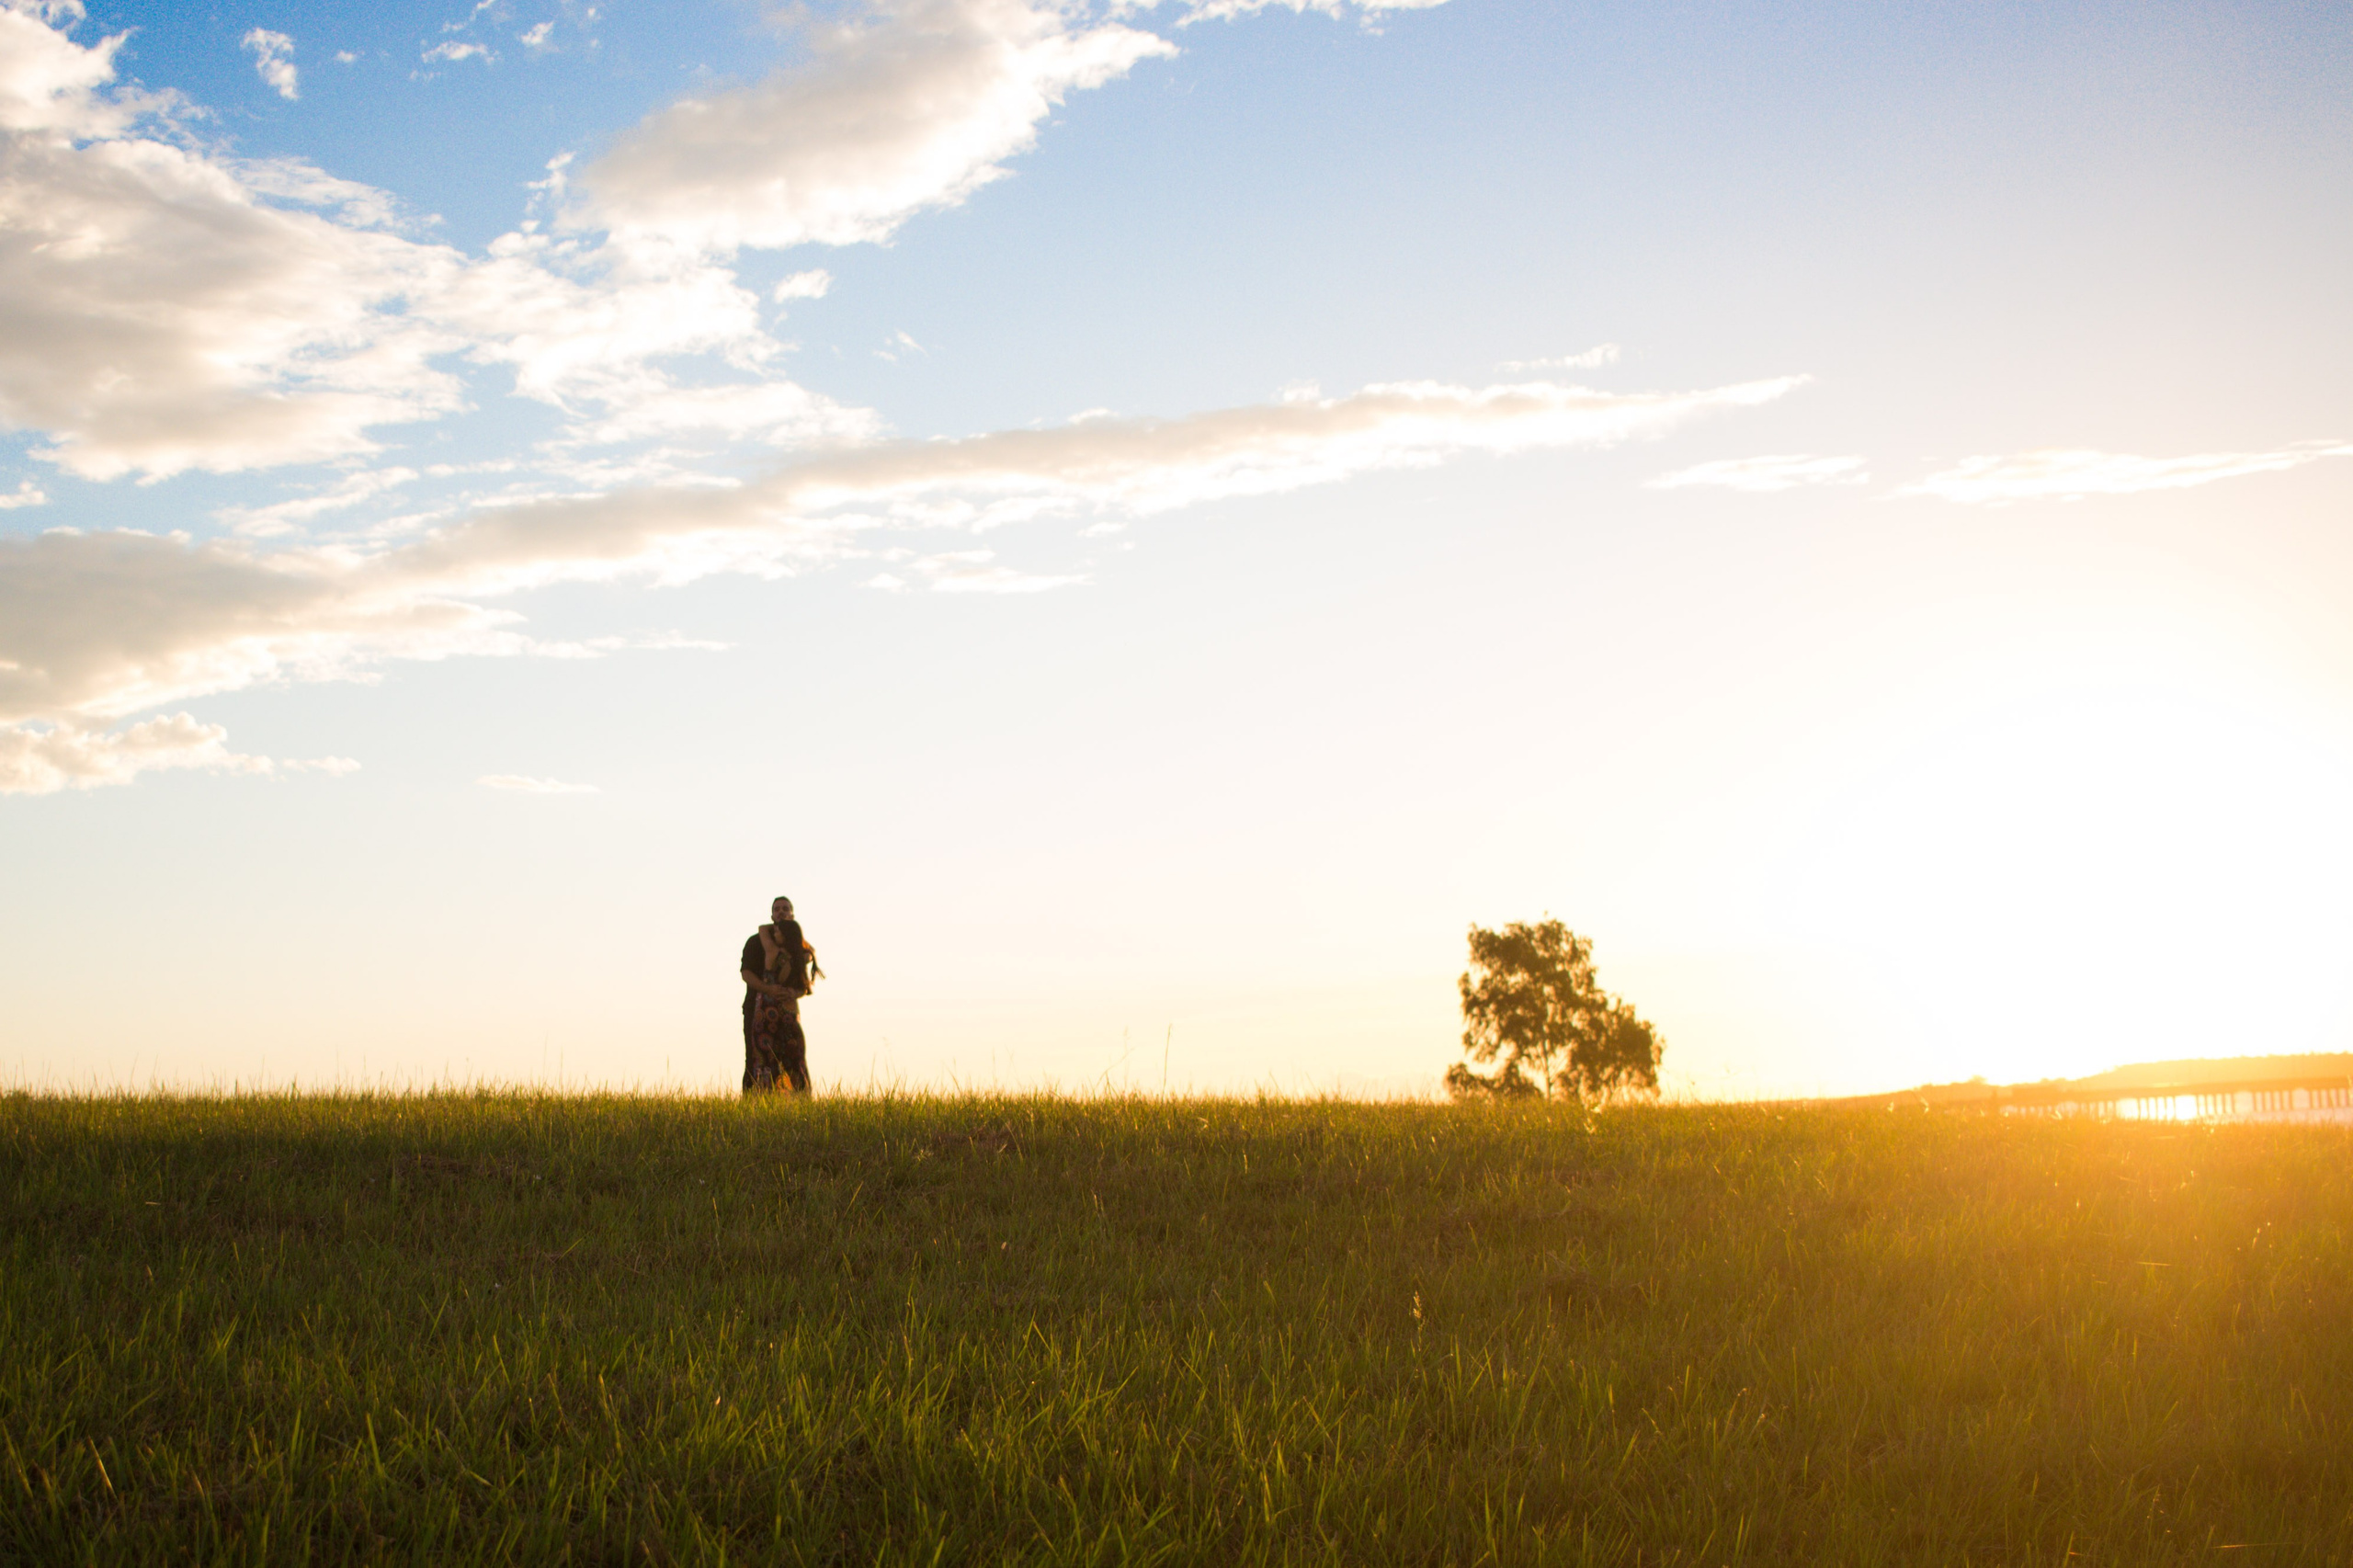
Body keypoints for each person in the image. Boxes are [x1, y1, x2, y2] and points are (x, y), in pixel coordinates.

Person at [741, 895, 818, 1095]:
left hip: (786, 1012)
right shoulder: (763, 944)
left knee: (792, 1057)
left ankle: (795, 1101)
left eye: (786, 909)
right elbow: (746, 973)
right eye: (777, 909)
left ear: (793, 914)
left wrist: (792, 992)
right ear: (771, 915)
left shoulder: (796, 950)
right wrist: (769, 989)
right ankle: (755, 1102)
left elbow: (804, 987)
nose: (781, 912)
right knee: (758, 1057)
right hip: (760, 1008)